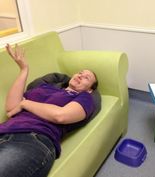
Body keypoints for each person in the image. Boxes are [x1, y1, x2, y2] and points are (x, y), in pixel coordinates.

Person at [0, 44, 98, 177]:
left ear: (90, 89)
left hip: (33, 139)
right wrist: (24, 69)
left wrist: (26, 104)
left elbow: (60, 115)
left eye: (87, 77)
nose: (81, 76)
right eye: (80, 72)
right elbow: (12, 108)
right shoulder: (44, 87)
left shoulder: (84, 97)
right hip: (4, 129)